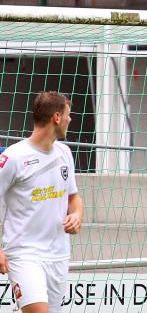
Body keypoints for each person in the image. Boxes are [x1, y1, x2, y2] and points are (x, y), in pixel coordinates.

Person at [0, 91, 84, 313]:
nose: (70, 119)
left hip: (58, 255)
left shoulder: (65, 153)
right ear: (57, 117)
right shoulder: (14, 157)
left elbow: (74, 198)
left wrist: (76, 215)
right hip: (24, 254)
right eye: (68, 114)